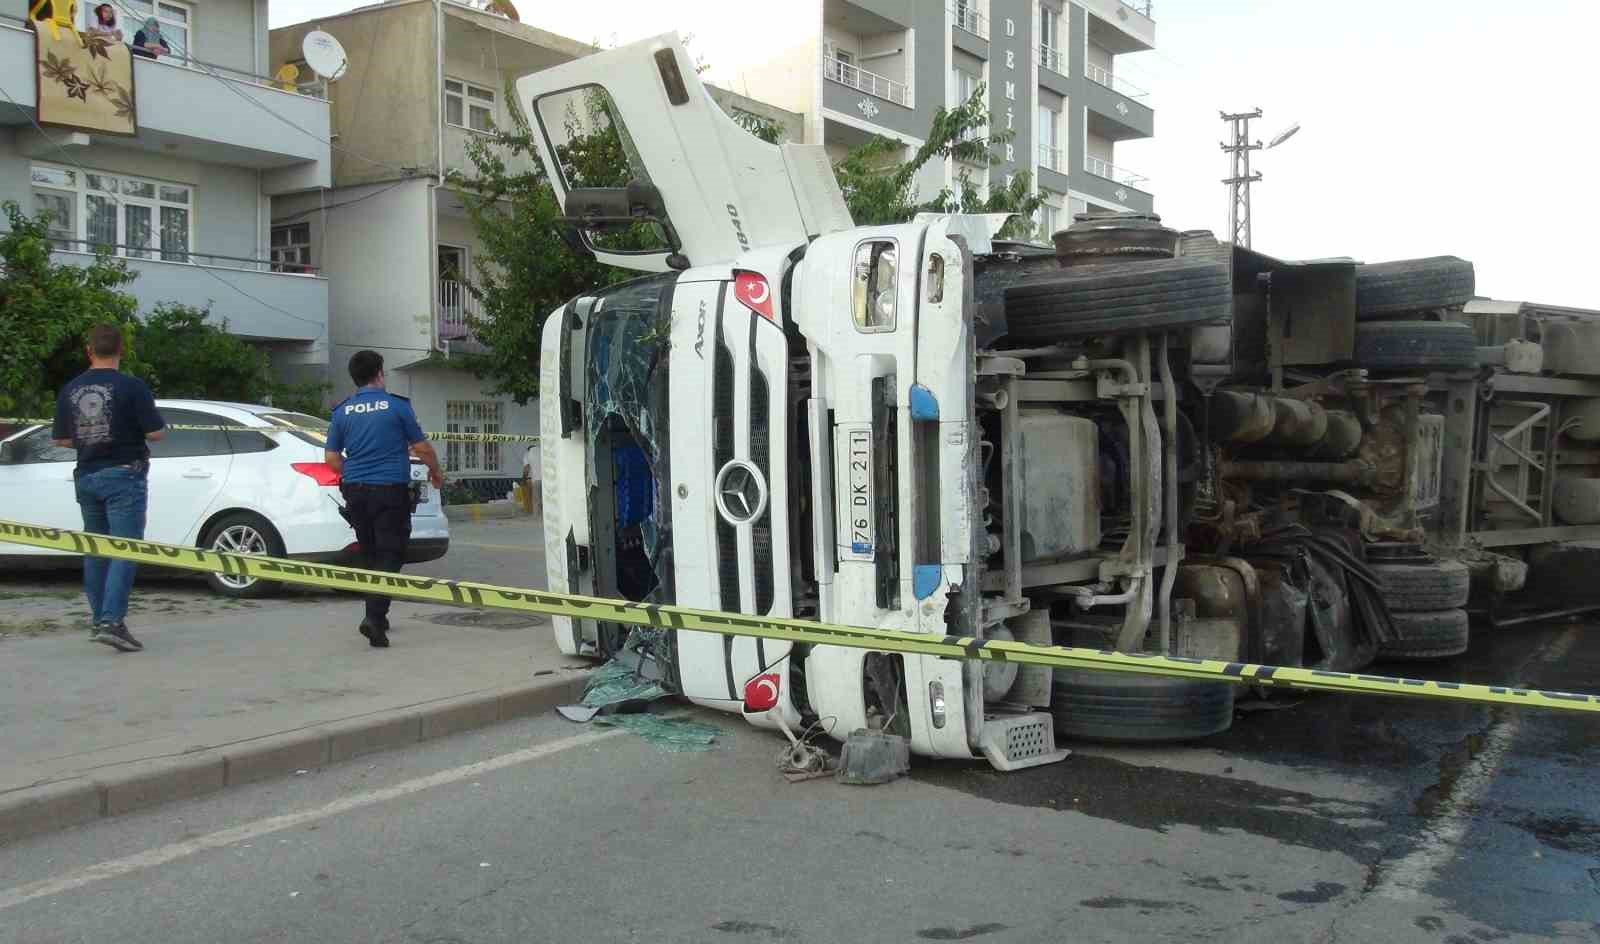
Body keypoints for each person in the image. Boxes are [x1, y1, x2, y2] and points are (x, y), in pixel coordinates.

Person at [51, 323, 166, 653]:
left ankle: (100, 618)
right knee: (124, 549)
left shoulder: (71, 389)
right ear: (122, 350)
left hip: (86, 475)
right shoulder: (132, 386)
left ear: (89, 351)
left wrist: (90, 437)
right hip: (123, 474)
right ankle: (112, 622)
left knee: (96, 549)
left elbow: (60, 438)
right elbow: (156, 433)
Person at [325, 350, 444, 648]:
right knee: (391, 553)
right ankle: (375, 618)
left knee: (370, 553)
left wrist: (351, 473)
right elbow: (422, 448)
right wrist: (436, 472)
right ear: (379, 373)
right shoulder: (396, 406)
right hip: (389, 489)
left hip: (355, 490)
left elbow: (331, 457)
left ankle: (377, 613)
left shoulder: (342, 411)